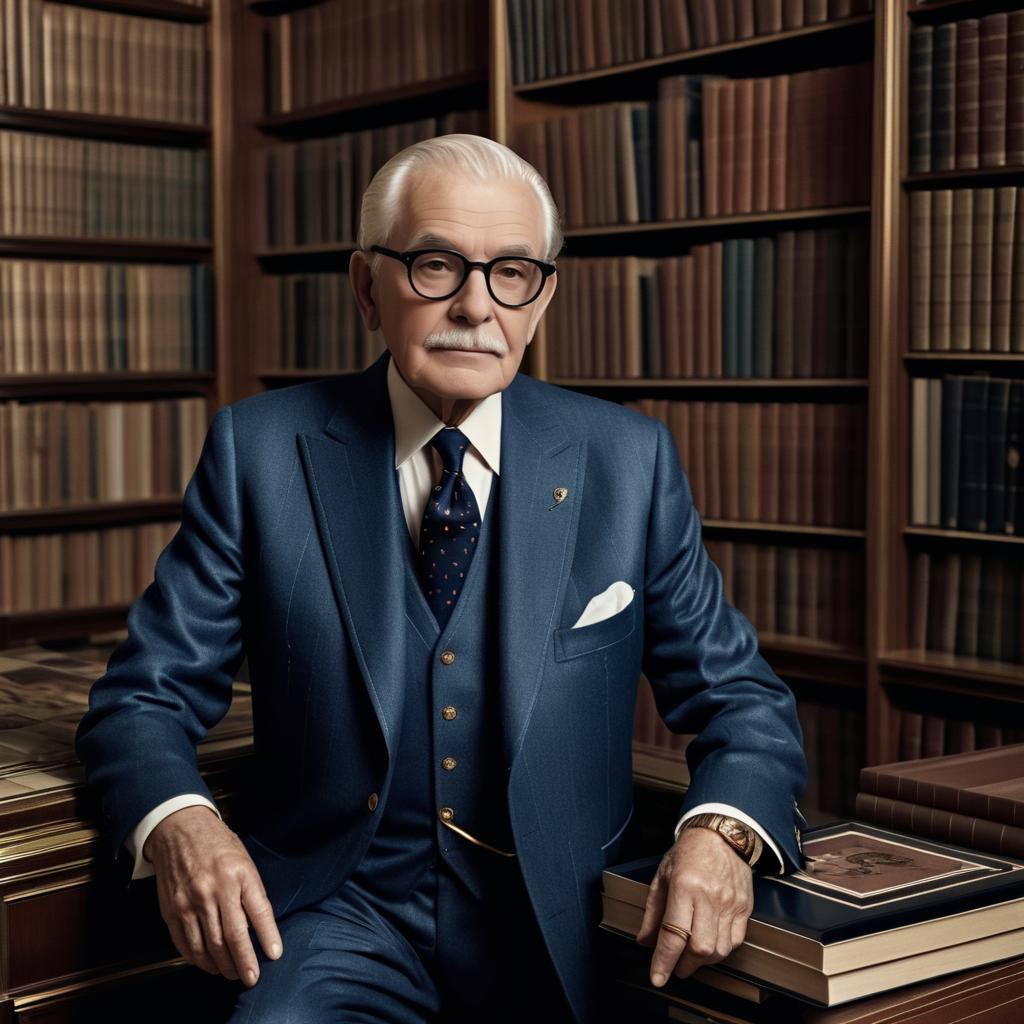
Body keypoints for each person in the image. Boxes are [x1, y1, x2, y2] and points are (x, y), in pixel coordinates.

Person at [74, 134, 807, 1023]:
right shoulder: (259, 453)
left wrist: (719, 835)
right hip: (337, 915)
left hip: (564, 923)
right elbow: (139, 702)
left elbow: (742, 702)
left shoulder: (628, 462)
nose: (475, 306)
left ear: (542, 299)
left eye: (512, 273)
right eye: (434, 265)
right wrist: (182, 826)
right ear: (365, 289)